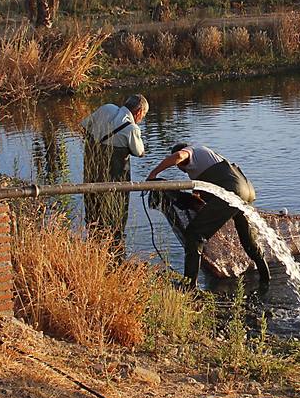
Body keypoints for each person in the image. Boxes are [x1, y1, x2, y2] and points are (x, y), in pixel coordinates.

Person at [145, 143, 270, 285]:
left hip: (231, 190)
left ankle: (189, 285)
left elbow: (179, 156)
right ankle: (265, 277)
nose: (182, 170)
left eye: (178, 166)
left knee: (194, 235)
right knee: (247, 237)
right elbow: (205, 201)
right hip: (246, 190)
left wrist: (153, 174)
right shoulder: (207, 160)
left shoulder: (192, 151)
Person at [80, 94, 148, 247]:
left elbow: (83, 126)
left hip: (91, 171)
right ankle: (115, 246)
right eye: (143, 115)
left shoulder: (106, 108)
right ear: (139, 112)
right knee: (116, 209)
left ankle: (93, 243)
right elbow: (139, 152)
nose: (141, 119)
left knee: (93, 206)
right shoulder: (131, 128)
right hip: (116, 176)